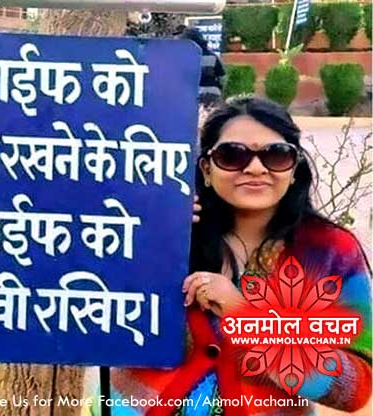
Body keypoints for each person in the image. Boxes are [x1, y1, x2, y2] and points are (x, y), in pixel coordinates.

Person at [83, 96, 371, 415]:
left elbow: (355, 388)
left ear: (294, 169)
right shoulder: (166, 231)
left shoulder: (330, 251)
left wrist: (246, 316)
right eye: (232, 155)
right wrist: (146, 237)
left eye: (276, 155)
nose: (255, 168)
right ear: (206, 168)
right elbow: (92, 321)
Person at [177, 26, 226, 107]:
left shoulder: (183, 57)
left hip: (192, 94)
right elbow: (222, 77)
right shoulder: (212, 56)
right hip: (213, 93)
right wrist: (219, 88)